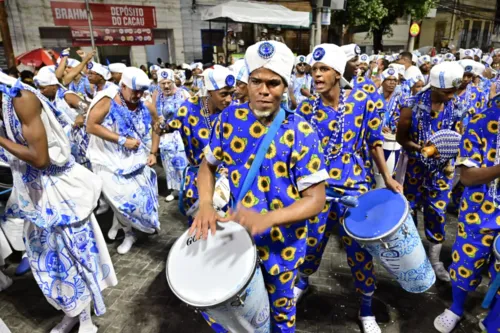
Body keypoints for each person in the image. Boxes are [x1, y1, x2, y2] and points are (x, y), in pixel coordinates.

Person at [194, 40, 328, 333]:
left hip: (284, 247)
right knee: (233, 309)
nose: (264, 90)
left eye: (273, 83)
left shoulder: (301, 131)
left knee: (281, 316)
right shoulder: (228, 119)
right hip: (237, 239)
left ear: (285, 86)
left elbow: (316, 199)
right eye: (256, 81)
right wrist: (205, 203)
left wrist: (267, 218)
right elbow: (207, 166)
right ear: (247, 82)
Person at [295, 44, 402, 333]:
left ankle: (366, 310)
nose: (316, 75)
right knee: (311, 243)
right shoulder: (305, 108)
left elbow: (375, 142)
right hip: (318, 189)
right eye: (314, 69)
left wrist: (388, 178)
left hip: (355, 189)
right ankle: (302, 283)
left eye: (323, 69)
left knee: (360, 252)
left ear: (338, 73)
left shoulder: (363, 101)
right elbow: (297, 151)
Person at [0, 70, 117, 333]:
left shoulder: (21, 99)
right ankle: (71, 312)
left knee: (74, 255)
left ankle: (86, 319)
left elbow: (40, 159)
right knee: (48, 259)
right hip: (33, 192)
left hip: (61, 193)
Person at [433, 95, 500, 333]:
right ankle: (457, 309)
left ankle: (493, 321)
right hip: (478, 212)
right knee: (466, 264)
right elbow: (467, 177)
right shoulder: (482, 121)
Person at [397, 62, 465, 282]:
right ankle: (413, 260)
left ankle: (435, 261)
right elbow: (401, 138)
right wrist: (422, 150)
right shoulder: (411, 105)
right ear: (435, 87)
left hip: (442, 172)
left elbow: (458, 139)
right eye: (447, 91)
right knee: (410, 212)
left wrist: (445, 151)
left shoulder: (456, 107)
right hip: (414, 168)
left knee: (437, 213)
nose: (452, 95)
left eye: (454, 91)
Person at [86, 67, 160, 254]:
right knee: (118, 201)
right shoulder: (107, 101)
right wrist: (121, 140)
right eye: (134, 90)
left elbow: (157, 126)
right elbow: (91, 126)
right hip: (108, 160)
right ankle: (128, 233)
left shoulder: (146, 104)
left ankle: (127, 225)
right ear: (123, 85)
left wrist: (153, 152)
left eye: (142, 91)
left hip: (136, 159)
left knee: (140, 200)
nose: (138, 95)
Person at [156, 66, 234, 225]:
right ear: (209, 92)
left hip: (227, 180)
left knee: (225, 228)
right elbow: (168, 127)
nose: (229, 99)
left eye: (232, 94)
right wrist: (159, 127)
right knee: (200, 227)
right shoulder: (189, 108)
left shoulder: (233, 111)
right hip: (197, 180)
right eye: (224, 94)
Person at [34, 66, 91, 169]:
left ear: (53, 86)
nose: (41, 91)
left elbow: (90, 109)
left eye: (43, 88)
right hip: (68, 144)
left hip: (82, 142)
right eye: (39, 88)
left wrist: (81, 116)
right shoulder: (49, 100)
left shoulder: (67, 96)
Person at [153, 68, 190, 202]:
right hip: (166, 136)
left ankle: (188, 189)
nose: (166, 86)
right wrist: (160, 123)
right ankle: (174, 189)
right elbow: (155, 115)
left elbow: (191, 112)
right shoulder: (157, 96)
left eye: (169, 82)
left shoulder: (183, 93)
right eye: (163, 83)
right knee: (168, 163)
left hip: (182, 134)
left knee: (184, 162)